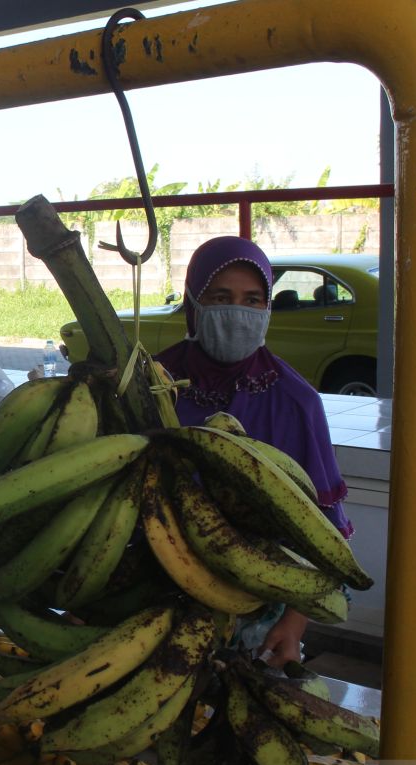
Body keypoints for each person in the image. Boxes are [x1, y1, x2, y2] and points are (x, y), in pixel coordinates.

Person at [154, 235, 353, 668]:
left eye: (253, 299)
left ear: (267, 309)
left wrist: (296, 623)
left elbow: (324, 532)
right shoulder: (153, 386)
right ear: (193, 303)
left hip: (257, 607)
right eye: (221, 297)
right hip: (150, 594)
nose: (238, 312)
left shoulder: (295, 401)